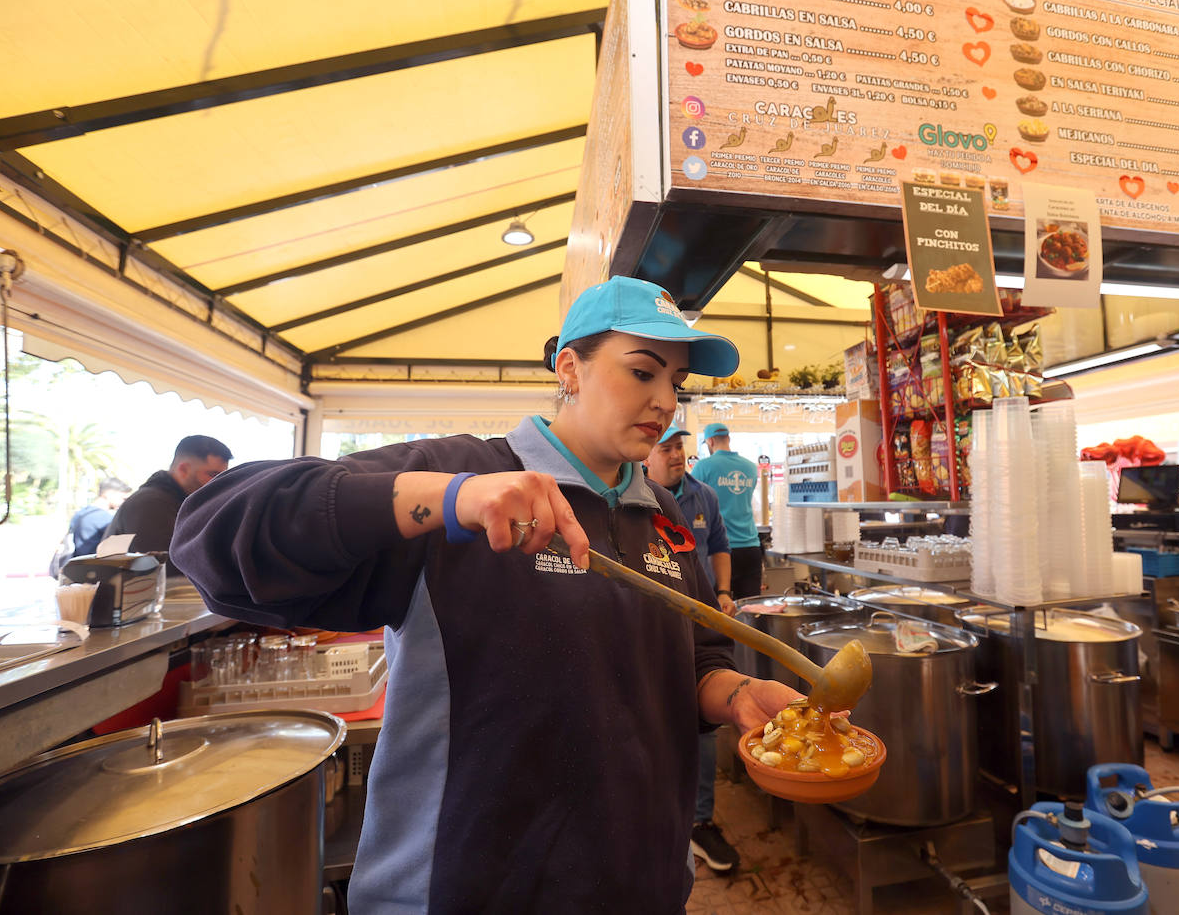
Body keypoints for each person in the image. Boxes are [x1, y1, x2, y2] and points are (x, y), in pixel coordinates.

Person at [170, 276, 800, 914]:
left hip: (643, 881)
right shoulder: (463, 476)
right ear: (570, 370)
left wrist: (740, 696)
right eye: (643, 372)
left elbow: (688, 660)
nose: (665, 400)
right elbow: (213, 535)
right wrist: (450, 497)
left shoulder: (663, 512)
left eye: (678, 382)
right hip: (472, 886)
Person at [643, 426, 739, 874]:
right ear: (647, 454)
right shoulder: (633, 500)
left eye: (680, 446)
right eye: (668, 448)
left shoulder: (704, 496)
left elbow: (719, 546)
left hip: (698, 626)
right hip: (649, 628)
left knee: (703, 723)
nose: (677, 455)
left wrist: (721, 591)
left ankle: (700, 822)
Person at [105, 436, 232, 557]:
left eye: (223, 476)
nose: (219, 482)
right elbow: (169, 568)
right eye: (213, 474)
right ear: (183, 469)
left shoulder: (176, 502)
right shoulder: (150, 504)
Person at [690, 423, 763, 599]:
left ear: (710, 441)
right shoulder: (750, 468)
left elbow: (691, 500)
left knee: (721, 610)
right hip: (751, 546)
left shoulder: (703, 467)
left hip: (721, 551)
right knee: (751, 609)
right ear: (728, 438)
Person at [49, 477, 132, 576]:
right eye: (123, 498)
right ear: (108, 494)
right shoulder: (103, 517)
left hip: (76, 569)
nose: (124, 502)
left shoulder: (81, 513)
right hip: (94, 572)